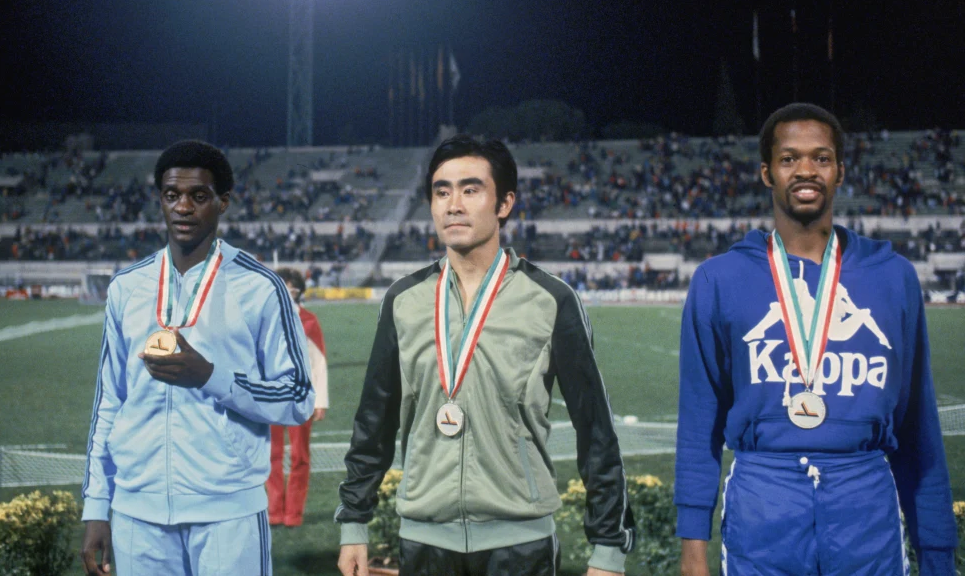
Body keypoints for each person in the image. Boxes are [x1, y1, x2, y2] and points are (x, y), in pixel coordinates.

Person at [674, 104, 958, 575]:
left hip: (865, 502)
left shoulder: (892, 278)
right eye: (789, 159)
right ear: (766, 173)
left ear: (840, 171)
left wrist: (937, 553)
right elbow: (698, 426)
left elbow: (918, 429)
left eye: (821, 158)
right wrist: (692, 549)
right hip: (762, 504)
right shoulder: (719, 280)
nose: (805, 170)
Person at [336, 134, 634, 576]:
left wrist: (608, 547)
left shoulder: (550, 299)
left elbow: (596, 428)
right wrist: (354, 523)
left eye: (470, 189)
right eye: (442, 191)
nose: (453, 204)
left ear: (504, 204)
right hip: (424, 540)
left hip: (520, 543)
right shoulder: (404, 300)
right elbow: (373, 423)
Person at [80, 140, 314, 575]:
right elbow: (109, 402)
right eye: (172, 195)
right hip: (136, 511)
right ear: (160, 201)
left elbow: (297, 397)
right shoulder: (126, 287)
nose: (183, 207)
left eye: (198, 196)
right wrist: (98, 503)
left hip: (228, 511)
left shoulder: (262, 288)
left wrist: (210, 376)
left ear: (223, 202)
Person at [266, 267, 329, 526]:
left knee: (300, 456)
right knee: (272, 454)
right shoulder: (266, 319)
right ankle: (274, 510)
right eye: (282, 286)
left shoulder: (309, 321)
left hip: (301, 396)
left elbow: (319, 362)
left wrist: (320, 401)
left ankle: (294, 512)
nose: (287, 291)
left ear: (299, 291)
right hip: (271, 396)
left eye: (292, 287)